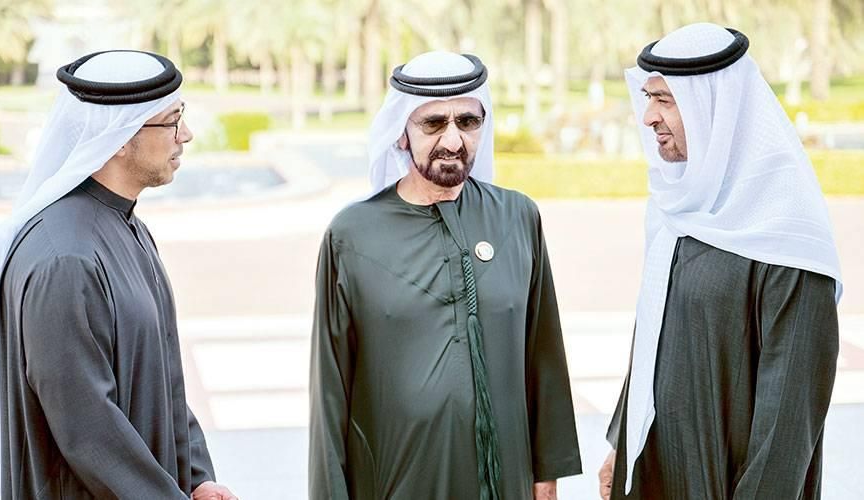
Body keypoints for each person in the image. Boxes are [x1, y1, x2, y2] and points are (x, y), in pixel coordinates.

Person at [308, 51, 582, 500]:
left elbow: (543, 355)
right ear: (401, 134)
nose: (453, 140)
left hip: (506, 482)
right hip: (397, 484)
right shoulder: (352, 235)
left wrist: (546, 476)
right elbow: (329, 390)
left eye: (468, 122)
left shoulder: (517, 217)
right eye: (433, 123)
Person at [0, 50, 237, 499]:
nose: (185, 134)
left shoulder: (127, 227)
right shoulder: (65, 260)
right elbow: (88, 430)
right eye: (171, 121)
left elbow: (164, 380)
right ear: (120, 136)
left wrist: (196, 478)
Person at [597, 23, 842, 499]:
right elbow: (653, 336)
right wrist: (622, 444)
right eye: (648, 97)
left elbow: (788, 428)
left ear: (714, 106)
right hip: (652, 473)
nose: (648, 116)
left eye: (665, 100)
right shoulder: (676, 207)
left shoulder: (790, 237)